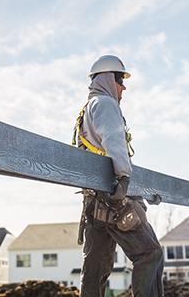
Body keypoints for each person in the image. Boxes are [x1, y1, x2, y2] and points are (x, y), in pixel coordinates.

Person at [74, 55, 164, 297]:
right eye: (120, 80)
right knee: (150, 254)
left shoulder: (85, 112)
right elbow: (114, 140)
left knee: (95, 269)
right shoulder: (105, 104)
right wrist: (124, 178)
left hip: (94, 203)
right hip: (113, 198)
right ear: (107, 79)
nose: (123, 87)